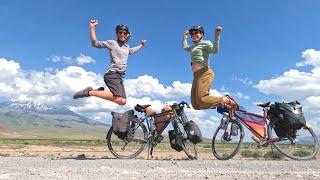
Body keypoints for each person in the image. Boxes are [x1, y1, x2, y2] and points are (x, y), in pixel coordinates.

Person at [73, 19, 147, 106]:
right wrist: (92, 27)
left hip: (119, 76)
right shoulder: (112, 43)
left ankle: (96, 91)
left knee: (122, 102)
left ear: (127, 35)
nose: (122, 34)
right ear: (117, 34)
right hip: (112, 74)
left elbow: (132, 51)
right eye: (120, 32)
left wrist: (141, 45)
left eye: (124, 33)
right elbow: (95, 43)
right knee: (118, 98)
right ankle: (89, 92)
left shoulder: (127, 47)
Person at [183, 25, 238, 110]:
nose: (194, 35)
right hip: (196, 76)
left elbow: (214, 51)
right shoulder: (192, 47)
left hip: (205, 72)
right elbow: (185, 47)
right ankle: (219, 104)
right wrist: (185, 37)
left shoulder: (206, 43)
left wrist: (217, 36)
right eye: (192, 34)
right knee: (196, 105)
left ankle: (227, 100)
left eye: (196, 32)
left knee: (202, 99)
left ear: (202, 34)